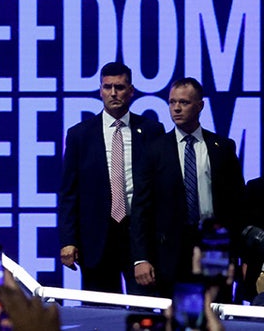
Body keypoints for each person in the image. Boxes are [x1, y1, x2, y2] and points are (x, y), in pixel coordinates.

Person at [131, 77, 245, 297]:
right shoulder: (155, 151)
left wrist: (239, 256)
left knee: (216, 310)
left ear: (200, 106)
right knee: (180, 318)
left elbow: (237, 206)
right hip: (170, 252)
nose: (176, 108)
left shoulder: (222, 147)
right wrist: (141, 258)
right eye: (172, 102)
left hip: (215, 246)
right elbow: (141, 209)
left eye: (184, 102)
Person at [56, 61, 164, 293]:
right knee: (99, 314)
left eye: (119, 87)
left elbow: (161, 188)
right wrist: (68, 240)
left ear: (131, 91)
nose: (113, 93)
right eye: (107, 87)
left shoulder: (152, 131)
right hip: (95, 239)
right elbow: (68, 193)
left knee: (143, 310)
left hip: (140, 237)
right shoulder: (79, 135)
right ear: (100, 90)